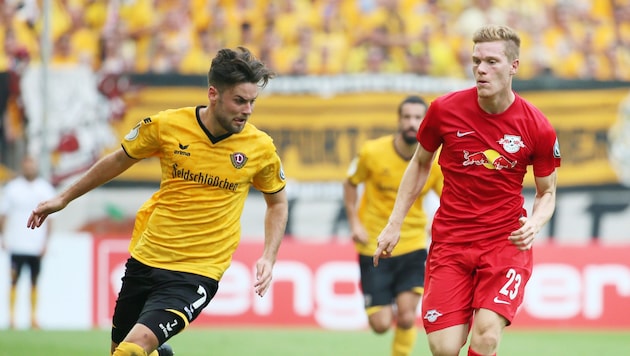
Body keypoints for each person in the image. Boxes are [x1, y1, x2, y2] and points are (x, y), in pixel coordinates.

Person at [27, 47, 288, 356]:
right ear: (213, 93)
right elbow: (117, 160)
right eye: (239, 101)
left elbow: (277, 203)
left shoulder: (259, 148)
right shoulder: (167, 126)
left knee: (133, 349)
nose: (247, 110)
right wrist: (63, 198)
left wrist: (269, 256)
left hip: (197, 272)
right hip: (146, 258)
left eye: (252, 102)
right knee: (121, 351)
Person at [373, 25, 561, 356]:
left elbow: (547, 193)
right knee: (444, 348)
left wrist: (535, 223)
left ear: (513, 66)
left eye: (491, 61)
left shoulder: (537, 127)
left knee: (486, 335)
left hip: (505, 244)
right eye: (476, 61)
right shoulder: (444, 110)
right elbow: (419, 165)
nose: (481, 70)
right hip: (452, 242)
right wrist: (394, 222)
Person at [343, 95, 443, 356]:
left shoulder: (434, 162)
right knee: (381, 324)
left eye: (418, 117)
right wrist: (354, 221)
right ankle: (380, 296)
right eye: (407, 117)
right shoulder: (372, 152)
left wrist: (442, 228)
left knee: (408, 317)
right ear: (399, 120)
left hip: (412, 243)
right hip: (373, 244)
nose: (412, 123)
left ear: (426, 122)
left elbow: (449, 198)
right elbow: (351, 183)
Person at [0, 155, 56, 329]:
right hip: (17, 243)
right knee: (14, 280)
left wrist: (46, 242)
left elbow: (52, 219)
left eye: (32, 164)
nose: (29, 168)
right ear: (22, 166)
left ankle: (33, 318)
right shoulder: (12, 188)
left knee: (34, 281)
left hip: (35, 245)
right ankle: (12, 319)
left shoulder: (45, 188)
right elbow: (3, 215)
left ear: (36, 166)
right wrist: (3, 237)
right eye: (26, 164)